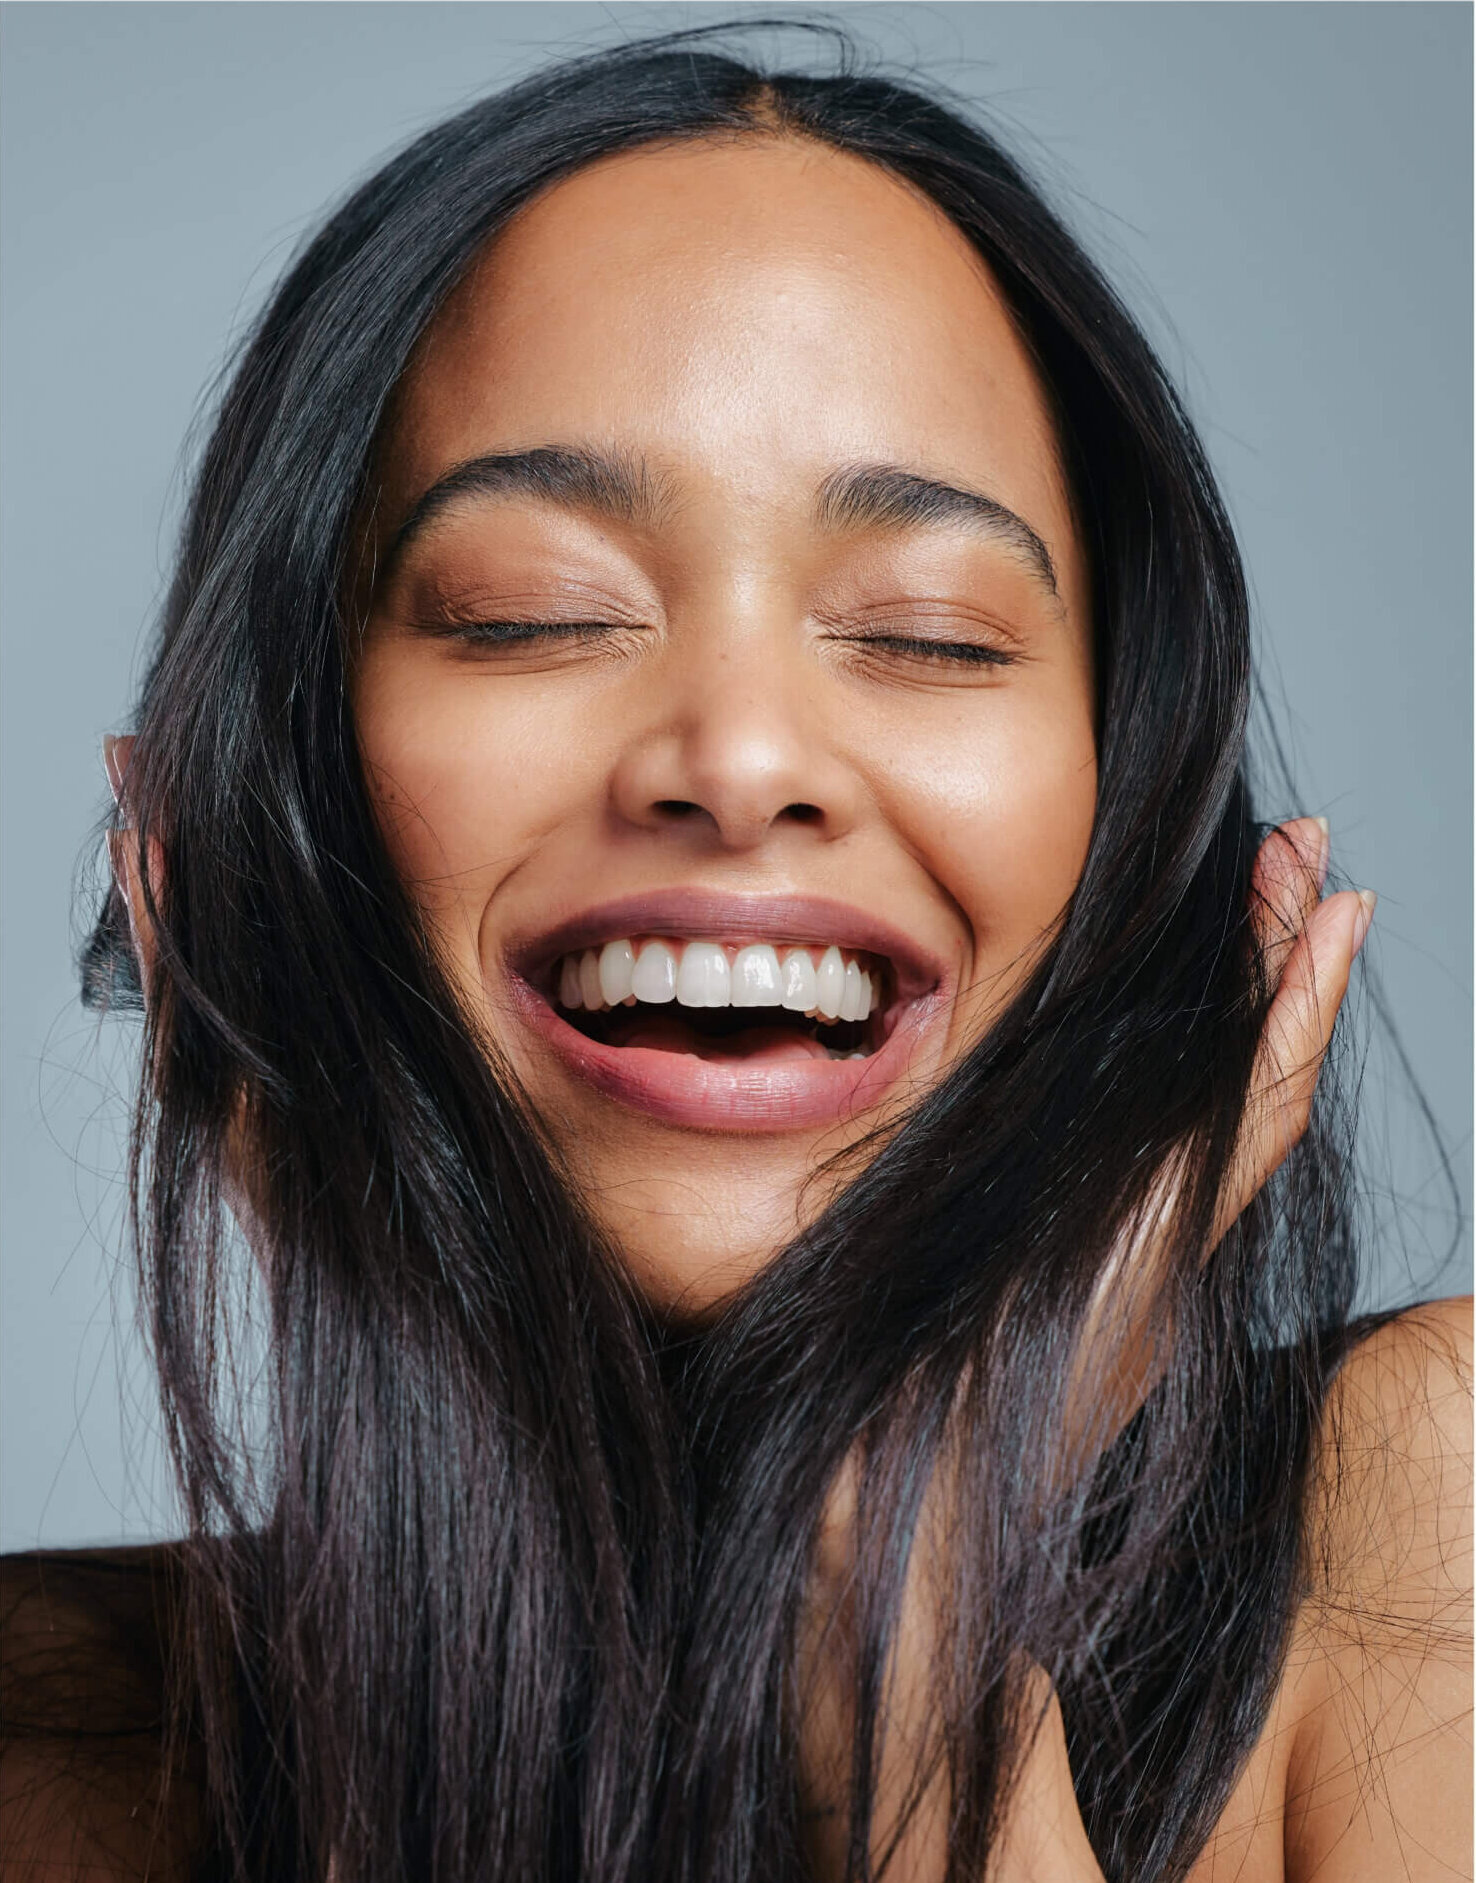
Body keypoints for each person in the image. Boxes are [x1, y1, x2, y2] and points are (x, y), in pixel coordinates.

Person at [2, 22, 1469, 1882]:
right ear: (282, 799)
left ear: (1128, 822)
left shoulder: (1425, 1523)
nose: (745, 758)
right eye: (533, 611)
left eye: (931, 635)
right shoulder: (47, 1749)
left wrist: (913, 1644)